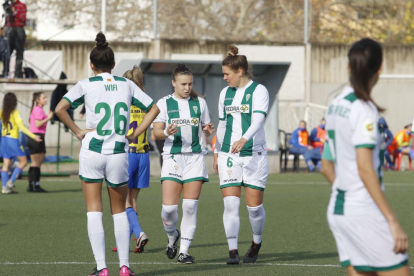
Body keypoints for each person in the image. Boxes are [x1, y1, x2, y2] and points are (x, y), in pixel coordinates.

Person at [55, 32, 159, 276]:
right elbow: (154, 108)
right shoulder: (127, 84)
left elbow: (60, 108)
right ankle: (124, 267)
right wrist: (135, 134)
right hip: (118, 153)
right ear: (113, 65)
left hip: (92, 151)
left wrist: (78, 131)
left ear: (92, 65)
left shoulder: (86, 84)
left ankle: (102, 268)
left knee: (94, 209)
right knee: (119, 210)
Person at [321, 38, 409, 276]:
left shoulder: (335, 104)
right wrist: (391, 220)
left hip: (339, 211)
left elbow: (326, 165)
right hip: (363, 212)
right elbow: (365, 168)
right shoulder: (364, 109)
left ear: (349, 67)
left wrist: (346, 192)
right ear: (379, 70)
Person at [153, 64, 214, 264]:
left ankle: (184, 252)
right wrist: (166, 133)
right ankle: (172, 237)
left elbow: (206, 128)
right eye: (183, 84)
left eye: (190, 84)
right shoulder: (163, 103)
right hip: (172, 157)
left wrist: (207, 130)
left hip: (195, 157)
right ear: (173, 83)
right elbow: (156, 132)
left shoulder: (200, 103)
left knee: (189, 206)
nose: (187, 87)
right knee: (169, 209)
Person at [213, 45, 269, 265]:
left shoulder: (259, 91)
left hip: (254, 154)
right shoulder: (224, 94)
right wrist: (217, 151)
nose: (225, 78)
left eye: (227, 74)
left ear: (240, 71)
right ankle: (233, 251)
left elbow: (258, 120)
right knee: (230, 205)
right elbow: (222, 124)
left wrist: (244, 138)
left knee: (254, 208)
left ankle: (256, 243)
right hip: (229, 155)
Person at [112, 66, 150, 254]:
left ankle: (139, 233)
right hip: (144, 155)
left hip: (128, 154)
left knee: (123, 202)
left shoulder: (124, 102)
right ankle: (126, 242)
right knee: (132, 200)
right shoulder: (145, 103)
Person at [0, 92, 41, 194]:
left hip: (4, 140)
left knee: (6, 164)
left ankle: (4, 188)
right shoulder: (15, 113)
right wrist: (34, 136)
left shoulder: (2, 112)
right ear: (14, 102)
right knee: (24, 162)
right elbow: (22, 127)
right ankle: (10, 182)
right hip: (12, 140)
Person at [27, 92, 53, 192]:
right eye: (44, 98)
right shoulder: (38, 109)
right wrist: (48, 118)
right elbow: (37, 124)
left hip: (33, 137)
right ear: (38, 100)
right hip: (37, 137)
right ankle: (36, 185)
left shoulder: (37, 109)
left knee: (34, 163)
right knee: (37, 163)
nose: (46, 99)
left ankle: (31, 185)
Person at [4, 0, 26, 78]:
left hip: (19, 30)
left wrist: (14, 12)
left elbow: (23, 19)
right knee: (6, 52)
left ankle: (18, 74)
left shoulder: (22, 5)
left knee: (19, 53)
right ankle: (5, 73)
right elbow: (6, 21)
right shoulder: (9, 6)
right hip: (9, 30)